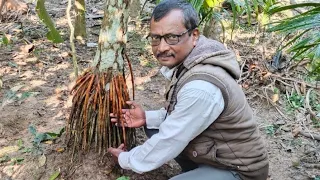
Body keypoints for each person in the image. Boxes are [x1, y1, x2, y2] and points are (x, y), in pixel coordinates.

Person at [108, 0, 269, 179]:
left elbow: (170, 139)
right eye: (156, 38)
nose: (161, 47)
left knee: (164, 138)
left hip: (239, 170)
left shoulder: (201, 87)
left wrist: (126, 159)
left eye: (172, 37)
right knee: (152, 127)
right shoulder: (193, 60)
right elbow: (180, 117)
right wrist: (147, 117)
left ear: (194, 36)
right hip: (216, 155)